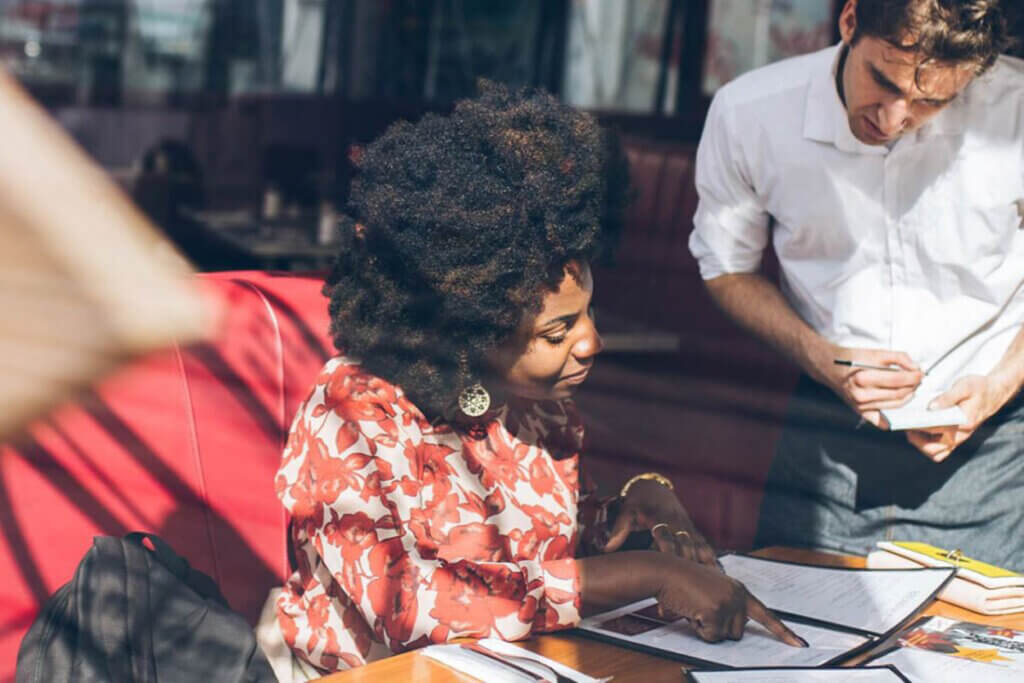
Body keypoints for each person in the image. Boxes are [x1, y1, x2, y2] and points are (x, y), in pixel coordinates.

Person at [256, 82, 803, 679]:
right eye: (558, 330)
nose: (591, 341)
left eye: (590, 312)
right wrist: (649, 575)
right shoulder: (351, 414)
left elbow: (546, 548)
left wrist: (633, 507)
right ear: (471, 325)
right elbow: (407, 606)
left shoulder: (538, 407)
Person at [689, 0, 1024, 567]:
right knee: (795, 641)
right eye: (884, 82)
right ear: (849, 22)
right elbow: (725, 267)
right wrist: (822, 359)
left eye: (931, 102)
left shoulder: (1016, 112)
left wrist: (995, 388)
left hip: (988, 454)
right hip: (822, 443)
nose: (893, 119)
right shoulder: (749, 112)